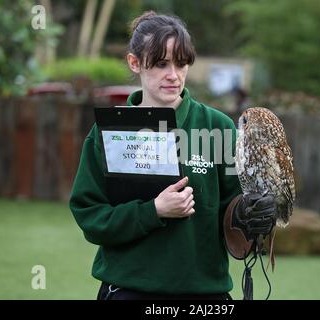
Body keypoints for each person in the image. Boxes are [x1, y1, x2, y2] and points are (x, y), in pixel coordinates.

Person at [69, 11, 276, 300]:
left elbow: (233, 211)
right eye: (161, 64)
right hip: (130, 290)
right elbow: (90, 215)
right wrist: (152, 211)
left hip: (205, 295)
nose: (173, 75)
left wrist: (250, 215)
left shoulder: (218, 127)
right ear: (135, 62)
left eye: (181, 64)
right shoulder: (111, 132)